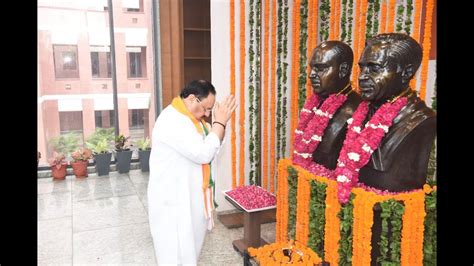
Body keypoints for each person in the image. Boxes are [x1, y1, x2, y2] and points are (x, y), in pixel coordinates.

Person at [147, 80, 237, 265]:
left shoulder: (193, 120)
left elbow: (212, 149)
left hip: (190, 200)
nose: (207, 114)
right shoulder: (172, 120)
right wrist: (219, 121)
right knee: (176, 255)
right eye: (206, 108)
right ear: (191, 99)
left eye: (211, 111)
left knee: (190, 253)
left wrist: (220, 125)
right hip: (173, 204)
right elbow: (203, 153)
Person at [356, 33, 436, 192]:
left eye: (374, 68)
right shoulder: (360, 111)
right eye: (362, 68)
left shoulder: (421, 119)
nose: (362, 77)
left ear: (406, 73)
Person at [292, 40, 362, 176]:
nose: (311, 74)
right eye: (312, 68)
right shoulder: (315, 103)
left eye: (320, 68)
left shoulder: (357, 109)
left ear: (343, 70)